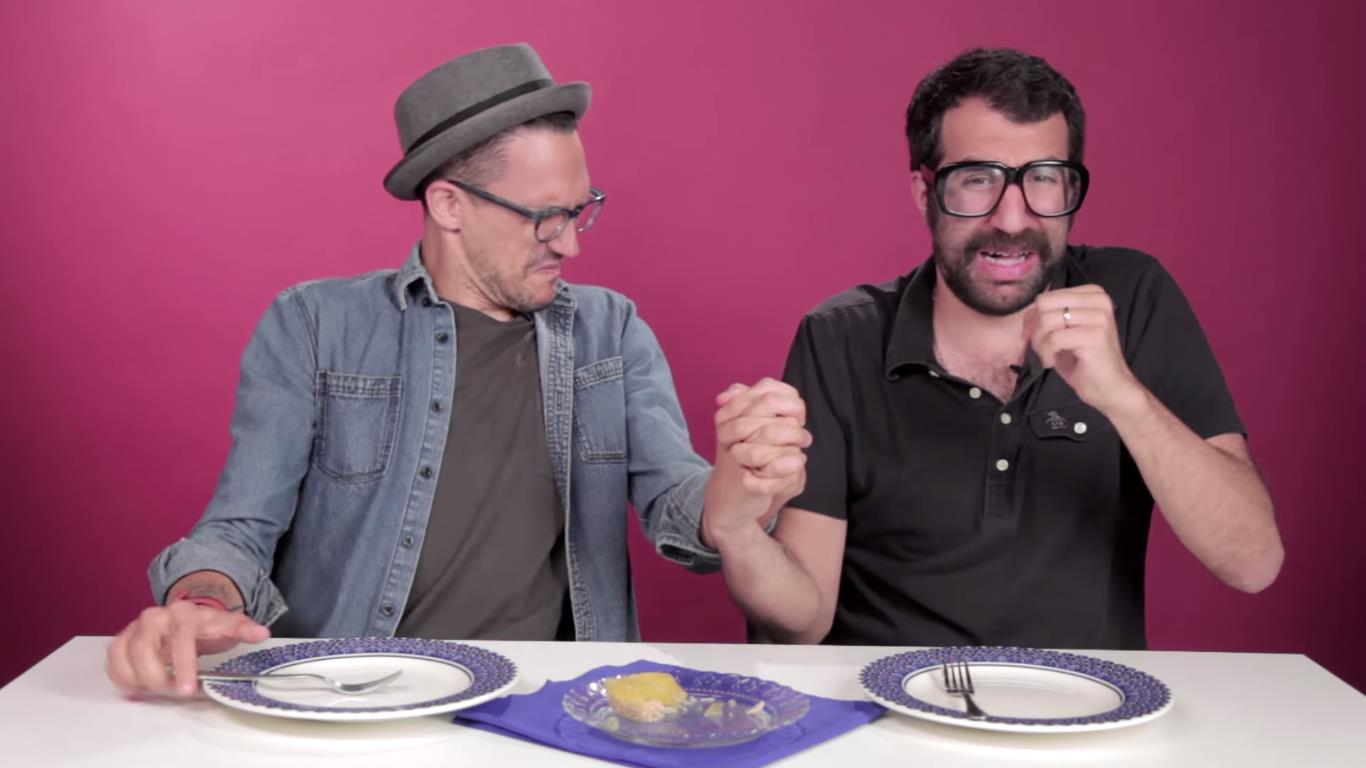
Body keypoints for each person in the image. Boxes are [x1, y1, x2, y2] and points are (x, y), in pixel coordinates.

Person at [106, 43, 809, 697]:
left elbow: (678, 504)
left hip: (543, 705)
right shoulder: (314, 325)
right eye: (546, 217)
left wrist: (734, 493)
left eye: (580, 211)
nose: (570, 244)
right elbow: (239, 528)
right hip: (349, 697)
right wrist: (200, 601)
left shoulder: (610, 330)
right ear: (448, 204)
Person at [710, 48, 1283, 649]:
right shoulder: (840, 337)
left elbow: (1253, 562)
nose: (1013, 220)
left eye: (1043, 178)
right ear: (924, 192)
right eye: (978, 179)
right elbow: (802, 623)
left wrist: (1124, 398)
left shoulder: (1132, 298)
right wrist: (735, 530)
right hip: (880, 700)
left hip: (1082, 700)